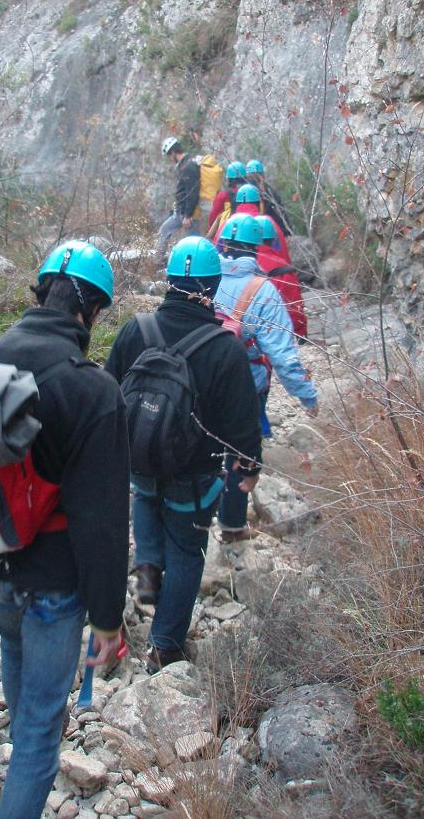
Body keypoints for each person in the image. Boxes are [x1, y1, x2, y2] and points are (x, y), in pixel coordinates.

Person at [0, 240, 130, 819]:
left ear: (41, 291)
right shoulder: (94, 391)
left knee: (21, 677)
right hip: (56, 586)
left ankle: (18, 756)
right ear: (92, 310)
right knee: (44, 732)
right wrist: (108, 618)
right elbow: (101, 520)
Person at [105, 236, 262, 672]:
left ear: (169, 280)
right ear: (213, 286)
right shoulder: (224, 347)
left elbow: (109, 390)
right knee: (189, 552)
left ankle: (149, 569)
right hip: (195, 471)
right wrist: (248, 466)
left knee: (147, 497)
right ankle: (166, 645)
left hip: (140, 457)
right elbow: (241, 421)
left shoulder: (136, 329)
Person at [214, 214, 317, 543]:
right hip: (246, 382)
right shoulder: (264, 291)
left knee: (203, 443)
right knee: (239, 449)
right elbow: (283, 356)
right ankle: (230, 525)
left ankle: (192, 514)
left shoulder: (204, 276)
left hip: (200, 378)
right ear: (257, 247)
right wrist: (308, 396)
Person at [255, 215, 308, 340]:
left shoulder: (236, 267)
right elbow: (294, 306)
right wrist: (300, 334)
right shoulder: (282, 268)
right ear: (273, 239)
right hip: (276, 334)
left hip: (244, 337)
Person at [156, 136, 200, 267]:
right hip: (180, 211)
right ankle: (157, 262)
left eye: (169, 155)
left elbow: (192, 192)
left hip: (188, 214)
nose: (170, 159)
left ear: (173, 152)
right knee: (164, 230)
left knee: (190, 243)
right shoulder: (185, 165)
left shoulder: (189, 167)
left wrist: (188, 215)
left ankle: (191, 269)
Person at [245, 158, 293, 238]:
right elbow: (280, 214)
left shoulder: (243, 193)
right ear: (263, 176)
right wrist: (286, 232)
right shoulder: (270, 193)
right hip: (268, 234)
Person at [206, 161, 247, 239]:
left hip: (226, 233)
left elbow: (214, 215)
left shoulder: (223, 195)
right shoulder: (251, 193)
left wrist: (211, 231)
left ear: (228, 178)